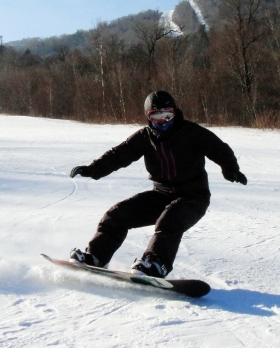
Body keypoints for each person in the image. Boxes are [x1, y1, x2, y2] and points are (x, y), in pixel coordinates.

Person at [68, 90, 247, 278]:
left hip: (193, 197)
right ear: (148, 116)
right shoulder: (145, 137)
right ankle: (96, 256)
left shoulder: (192, 133)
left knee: (170, 220)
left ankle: (156, 263)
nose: (163, 121)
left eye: (167, 115)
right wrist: (93, 169)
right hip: (161, 194)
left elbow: (219, 149)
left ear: (175, 112)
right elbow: (119, 155)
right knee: (117, 214)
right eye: (157, 116)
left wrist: (230, 168)